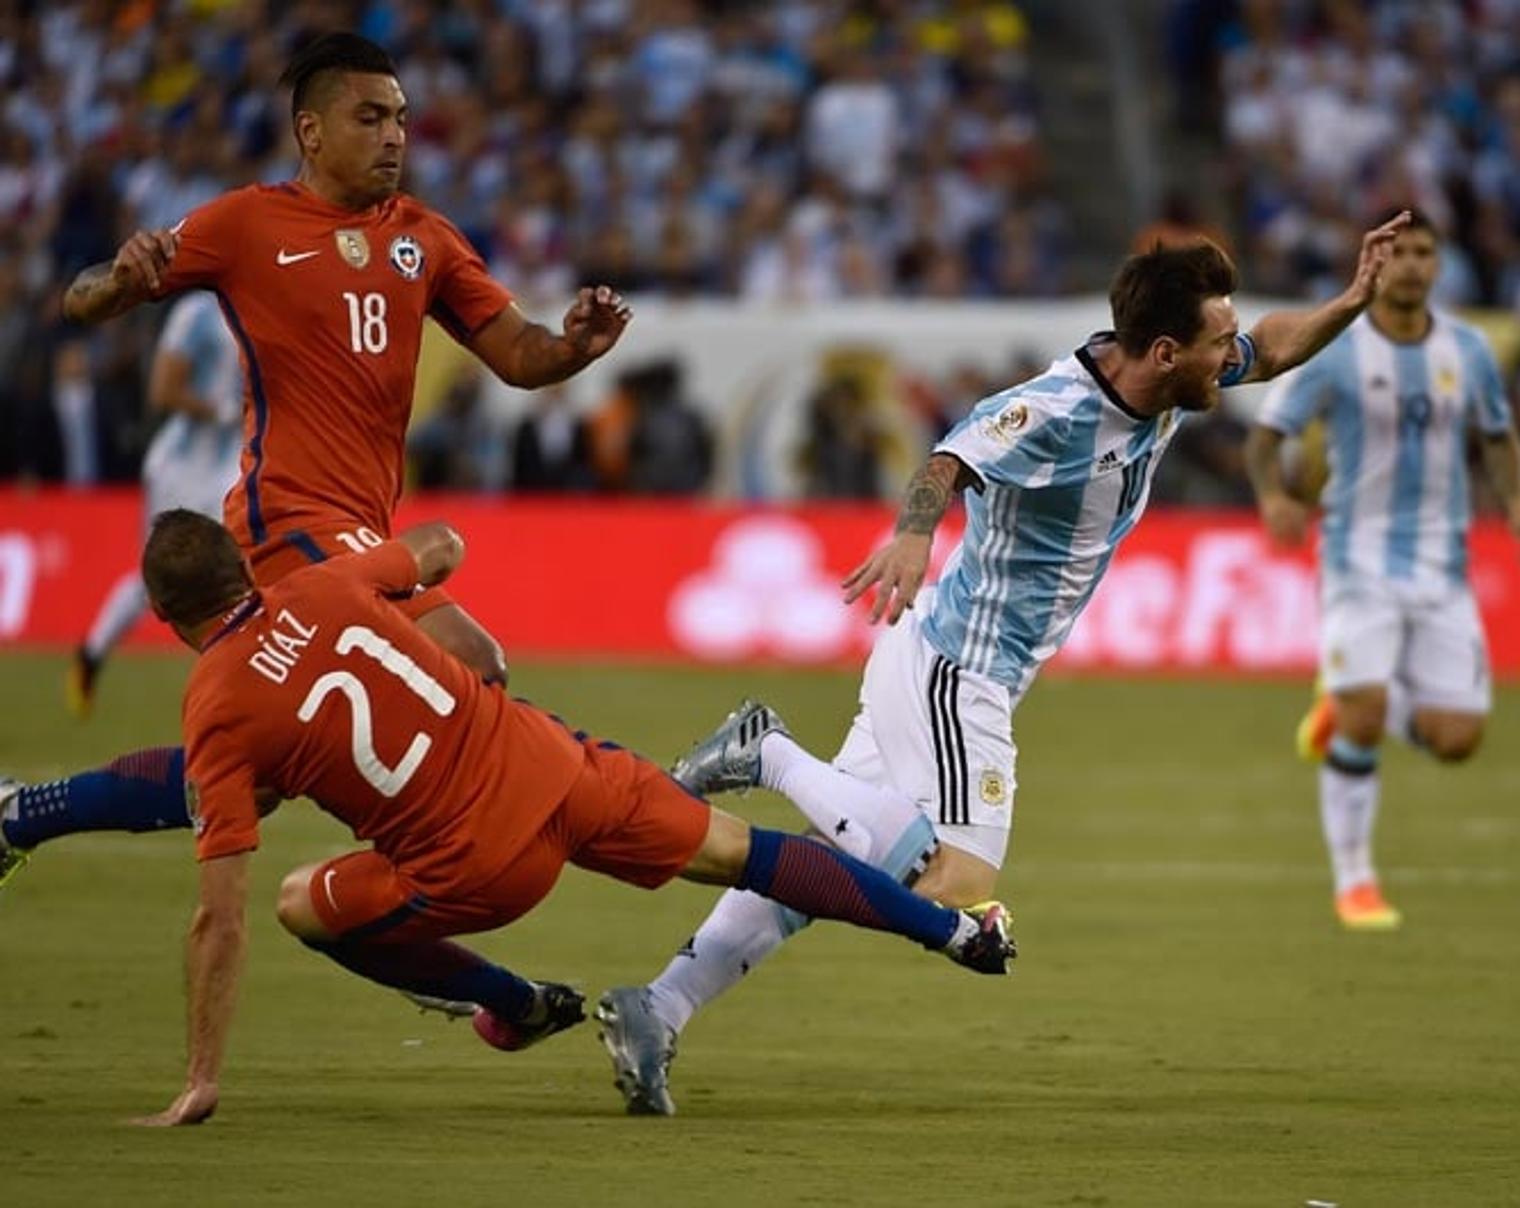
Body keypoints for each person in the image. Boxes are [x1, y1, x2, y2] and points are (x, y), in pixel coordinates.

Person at [592, 215, 1412, 1116]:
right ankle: (770, 751)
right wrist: (912, 534)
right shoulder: (1058, 410)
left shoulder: (1173, 378)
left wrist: (1347, 301)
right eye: (1221, 345)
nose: (1235, 357)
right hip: (958, 667)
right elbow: (951, 455)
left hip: (961, 665)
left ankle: (656, 1006)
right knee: (957, 888)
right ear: (1167, 350)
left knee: (831, 869)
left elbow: (1279, 347)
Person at [125, 510, 1014, 1128]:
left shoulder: (216, 705)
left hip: (477, 862)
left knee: (299, 903)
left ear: (166, 619)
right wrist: (411, 575)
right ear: (246, 570)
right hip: (559, 766)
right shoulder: (325, 584)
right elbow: (439, 545)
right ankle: (950, 934)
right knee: (749, 853)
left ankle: (517, 1004)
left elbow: (219, 915)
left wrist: (203, 1075)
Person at [1, 32, 631, 891]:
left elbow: (520, 355)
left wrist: (575, 347)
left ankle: (22, 815)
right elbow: (80, 301)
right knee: (471, 668)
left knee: (254, 777)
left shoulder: (427, 240)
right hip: (285, 523)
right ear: (311, 131)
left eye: (402, 119)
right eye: (370, 118)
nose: (395, 137)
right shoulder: (247, 224)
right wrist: (121, 279)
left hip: (359, 529)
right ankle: (414, 898)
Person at [1244, 208, 1520, 931]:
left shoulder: (1468, 351)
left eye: (1423, 252)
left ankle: (1345, 700)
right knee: (1364, 720)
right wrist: (1274, 495)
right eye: (1399, 252)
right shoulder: (1341, 354)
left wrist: (1519, 505)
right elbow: (1267, 435)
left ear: (1437, 266)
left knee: (1457, 740)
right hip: (1357, 558)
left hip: (1444, 567)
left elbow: (1500, 437)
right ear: (1378, 263)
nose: (1410, 264)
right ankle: (1356, 882)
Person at [68, 292, 245, 719]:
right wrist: (218, 409)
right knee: (157, 583)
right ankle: (90, 657)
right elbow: (163, 391)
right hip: (182, 467)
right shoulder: (198, 312)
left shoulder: (260, 304)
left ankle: (235, 690)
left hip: (231, 468)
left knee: (238, 571)